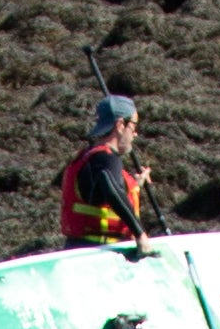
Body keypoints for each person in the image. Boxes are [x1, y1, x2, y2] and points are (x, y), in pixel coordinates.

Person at [57, 89, 151, 245]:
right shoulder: (105, 158)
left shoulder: (90, 158)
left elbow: (105, 188)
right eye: (134, 126)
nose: (135, 134)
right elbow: (110, 186)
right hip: (99, 253)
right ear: (120, 125)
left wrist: (134, 184)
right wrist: (140, 233)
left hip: (78, 249)